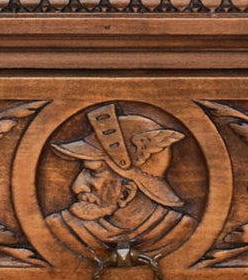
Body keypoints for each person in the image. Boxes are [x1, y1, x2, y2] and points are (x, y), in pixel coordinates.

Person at [45, 102, 195, 259]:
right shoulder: (61, 228)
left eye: (92, 172)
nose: (77, 187)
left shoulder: (180, 230)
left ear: (126, 193)